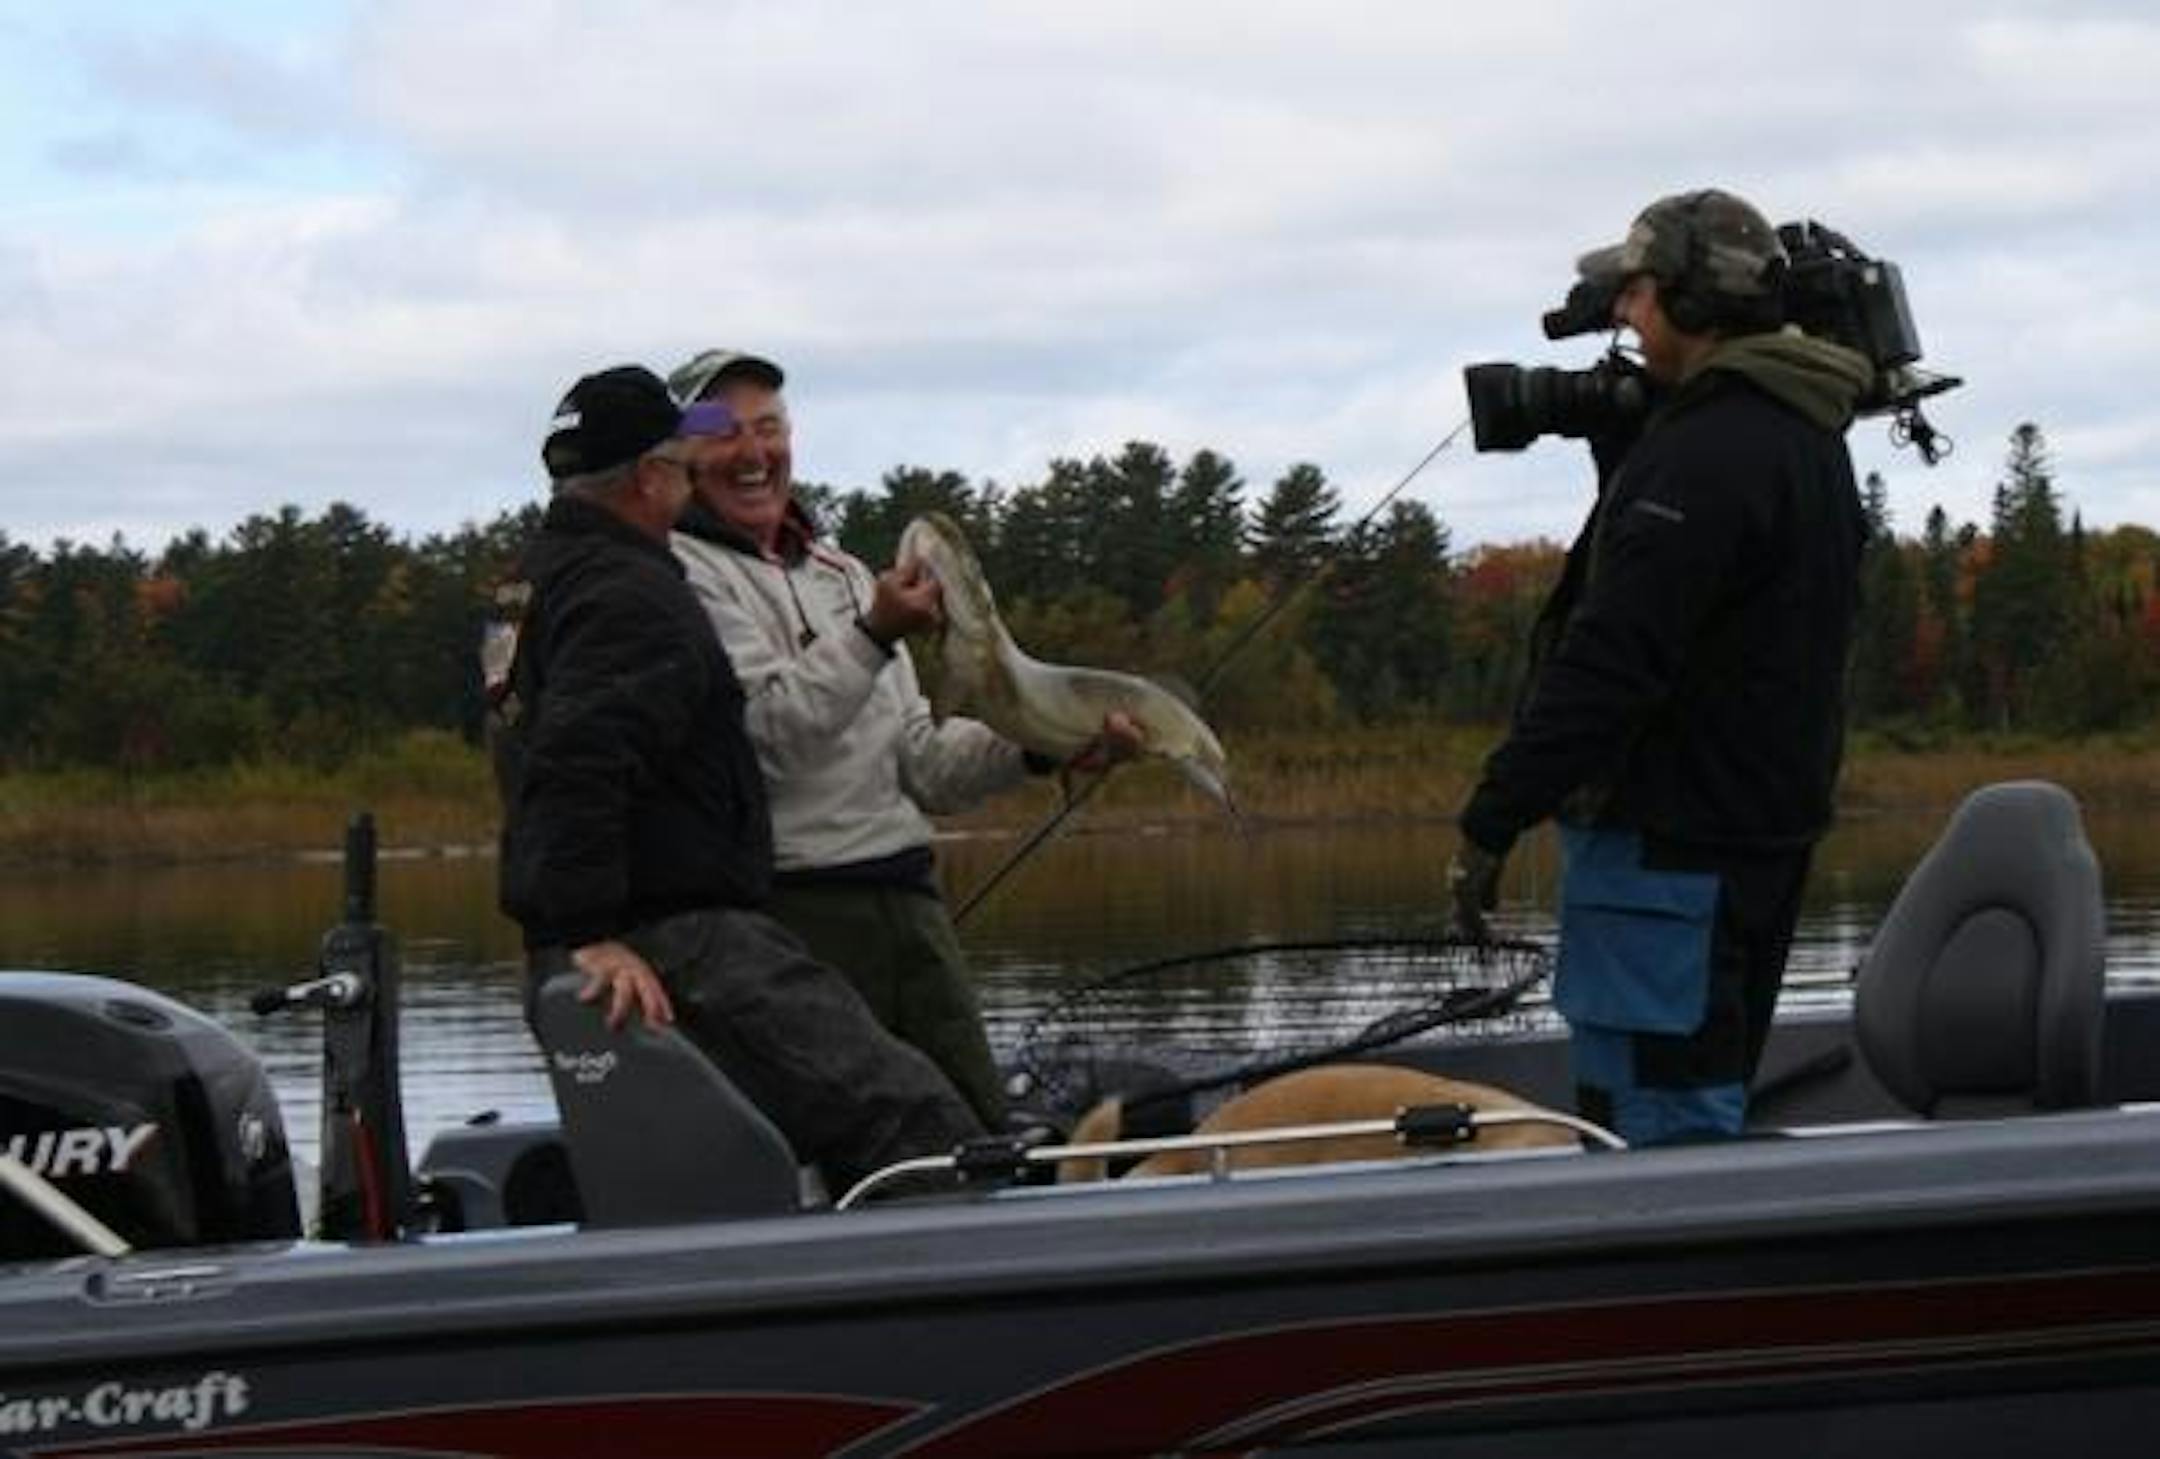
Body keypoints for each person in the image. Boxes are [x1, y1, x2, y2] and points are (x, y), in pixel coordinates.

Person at [1447, 189, 1873, 1147]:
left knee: (1656, 1132)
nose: (1625, 317)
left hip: (1665, 858)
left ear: (1696, 297)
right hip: (1751, 845)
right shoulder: (1803, 431)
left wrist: (1491, 817)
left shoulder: (1706, 453)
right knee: (1701, 1097)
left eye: (1639, 293)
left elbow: (1613, 659)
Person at [494, 363, 985, 1193]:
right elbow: (576, 758)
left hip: (653, 922)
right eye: (688, 460)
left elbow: (524, 744)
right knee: (918, 1123)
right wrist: (587, 930)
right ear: (650, 478)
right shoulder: (634, 593)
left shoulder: (528, 582)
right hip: (680, 932)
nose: (698, 475)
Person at [664, 348, 1139, 1128]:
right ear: (680, 450)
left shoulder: (846, 574)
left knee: (977, 1131)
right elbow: (765, 739)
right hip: (794, 918)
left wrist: (1040, 744)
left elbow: (923, 763)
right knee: (861, 1144)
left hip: (911, 905)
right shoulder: (681, 575)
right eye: (723, 433)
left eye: (770, 428)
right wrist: (875, 632)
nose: (753, 453)